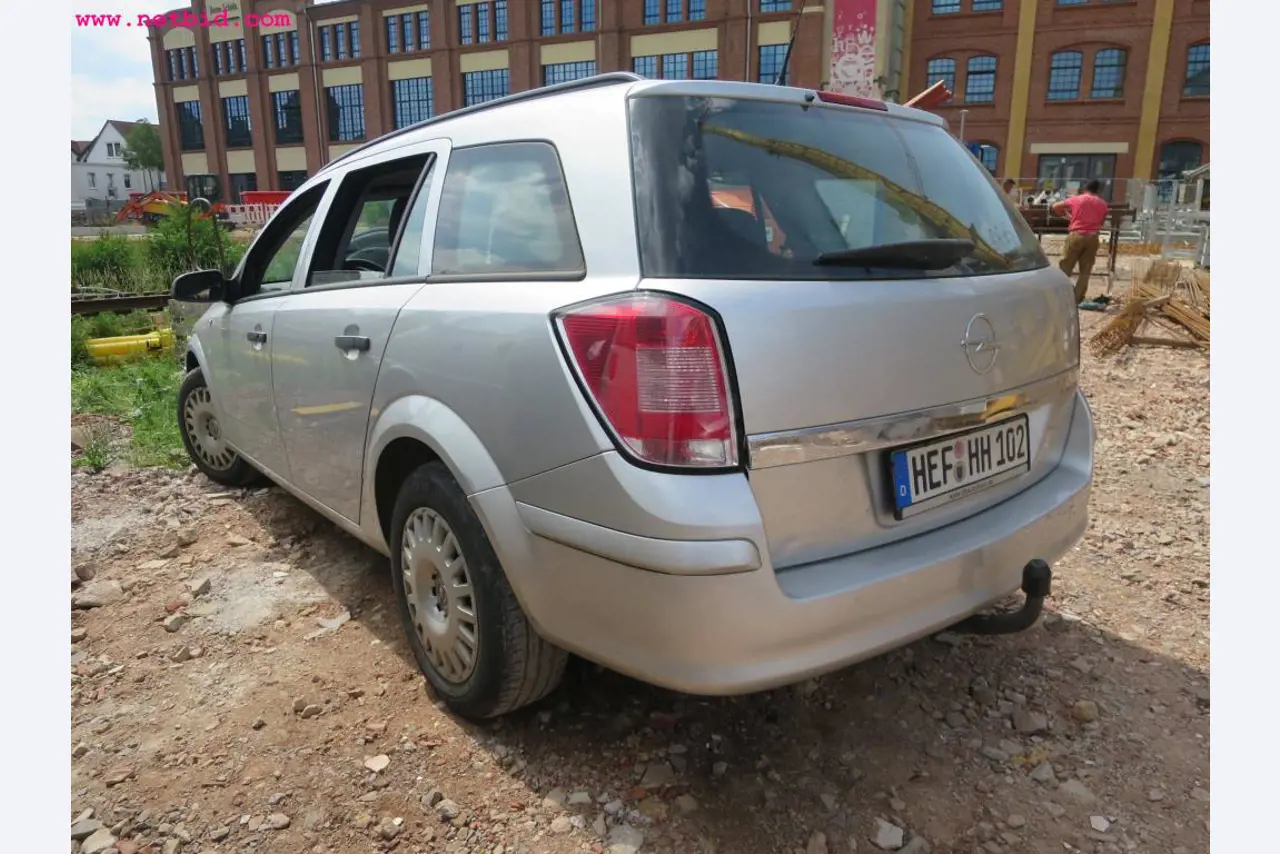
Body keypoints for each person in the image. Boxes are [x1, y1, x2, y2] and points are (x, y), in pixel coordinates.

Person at [1052, 178, 1109, 304]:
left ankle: (1060, 296)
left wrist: (1067, 216)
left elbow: (1055, 206)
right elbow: (1101, 222)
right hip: (1093, 237)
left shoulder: (1077, 199)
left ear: (1084, 188)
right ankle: (1077, 299)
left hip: (1077, 234)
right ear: (1098, 190)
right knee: (1085, 270)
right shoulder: (1103, 204)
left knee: (1065, 266)